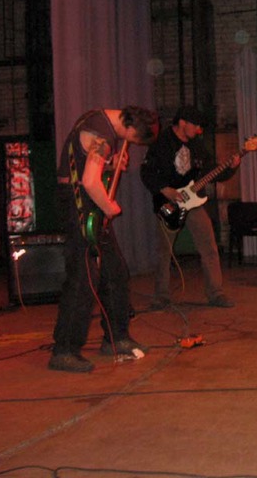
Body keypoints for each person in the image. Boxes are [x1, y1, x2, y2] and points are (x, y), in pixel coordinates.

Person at [49, 106, 159, 373]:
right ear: (131, 128)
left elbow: (88, 165)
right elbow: (89, 181)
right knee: (84, 277)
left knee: (114, 271)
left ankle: (116, 337)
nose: (130, 143)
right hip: (77, 202)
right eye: (133, 139)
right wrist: (110, 207)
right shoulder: (103, 135)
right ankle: (64, 350)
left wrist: (110, 164)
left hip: (83, 201)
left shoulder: (98, 120)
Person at [140, 106, 237, 310]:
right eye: (195, 125)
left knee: (209, 246)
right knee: (164, 251)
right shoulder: (161, 142)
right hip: (168, 202)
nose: (198, 129)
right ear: (182, 123)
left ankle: (216, 293)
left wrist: (232, 167)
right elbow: (146, 172)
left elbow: (212, 172)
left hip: (193, 202)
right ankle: (161, 296)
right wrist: (164, 189)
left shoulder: (197, 145)